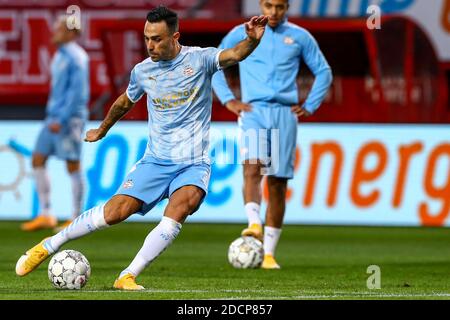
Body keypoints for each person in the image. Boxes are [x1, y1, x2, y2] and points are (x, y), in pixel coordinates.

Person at [16, 6, 268, 290]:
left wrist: (253, 40)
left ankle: (127, 275)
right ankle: (49, 244)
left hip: (194, 163)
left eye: (157, 39)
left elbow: (235, 54)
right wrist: (103, 128)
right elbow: (125, 101)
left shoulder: (200, 59)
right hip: (156, 161)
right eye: (147, 38)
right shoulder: (143, 71)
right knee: (114, 213)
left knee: (183, 206)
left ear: (175, 37)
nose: (150, 45)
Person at [212, 0, 332, 269]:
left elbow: (324, 71)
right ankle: (254, 223)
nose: (274, 12)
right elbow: (214, 64)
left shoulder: (300, 36)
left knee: (277, 183)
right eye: (268, 5)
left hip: (284, 114)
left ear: (287, 6)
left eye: (279, 6)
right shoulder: (241, 32)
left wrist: (311, 104)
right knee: (252, 167)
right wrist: (228, 100)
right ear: (260, 5)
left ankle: (268, 254)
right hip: (254, 111)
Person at [21, 16, 89, 233]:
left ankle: (76, 217)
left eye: (58, 29)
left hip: (68, 120)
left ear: (70, 32)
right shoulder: (61, 54)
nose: (54, 32)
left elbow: (78, 93)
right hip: (53, 118)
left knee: (72, 164)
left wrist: (63, 119)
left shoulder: (76, 56)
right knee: (38, 158)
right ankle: (46, 214)